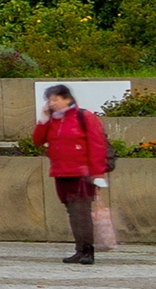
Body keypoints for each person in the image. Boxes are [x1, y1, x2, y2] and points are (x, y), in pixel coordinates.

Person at [40, 83, 114, 263]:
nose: (52, 103)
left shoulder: (84, 117)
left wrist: (97, 175)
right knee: (73, 213)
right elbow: (38, 139)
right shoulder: (54, 120)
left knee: (81, 212)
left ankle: (88, 251)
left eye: (56, 99)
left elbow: (97, 145)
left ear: (67, 99)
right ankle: (79, 249)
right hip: (61, 172)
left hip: (81, 173)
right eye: (49, 100)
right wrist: (43, 119)